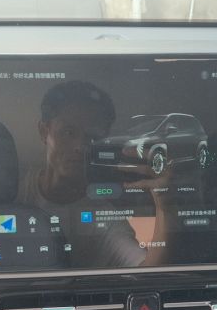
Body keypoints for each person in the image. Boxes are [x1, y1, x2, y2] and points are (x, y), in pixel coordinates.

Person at [19, 80, 170, 268]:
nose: (80, 146)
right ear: (44, 131)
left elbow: (146, 270)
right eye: (68, 132)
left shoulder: (104, 216)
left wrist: (166, 206)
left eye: (93, 138)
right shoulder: (12, 189)